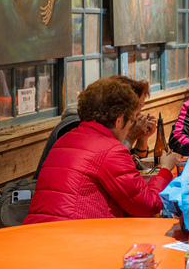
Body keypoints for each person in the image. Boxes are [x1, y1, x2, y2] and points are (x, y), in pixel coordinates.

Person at [24, 78, 180, 224]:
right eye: (132, 120)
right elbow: (147, 205)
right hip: (75, 238)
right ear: (119, 120)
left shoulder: (64, 140)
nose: (131, 126)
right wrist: (165, 170)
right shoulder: (112, 150)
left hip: (37, 232)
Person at [35, 75, 156, 175]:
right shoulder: (76, 126)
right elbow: (107, 166)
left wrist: (142, 139)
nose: (139, 114)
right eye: (137, 107)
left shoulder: (105, 124)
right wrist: (130, 137)